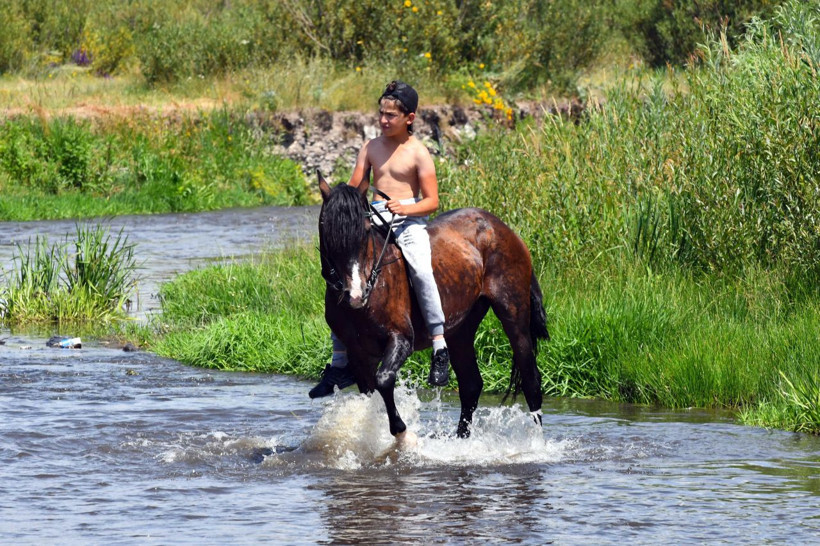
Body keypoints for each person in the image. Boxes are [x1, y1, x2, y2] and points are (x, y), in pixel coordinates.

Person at [309, 80, 450, 398]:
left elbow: (432, 201)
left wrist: (406, 206)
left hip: (409, 220)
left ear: (409, 118)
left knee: (422, 270)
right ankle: (339, 361)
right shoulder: (370, 147)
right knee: (345, 273)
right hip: (374, 217)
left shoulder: (418, 153)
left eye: (391, 116)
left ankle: (439, 343)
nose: (383, 121)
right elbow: (354, 186)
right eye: (381, 114)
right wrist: (338, 203)